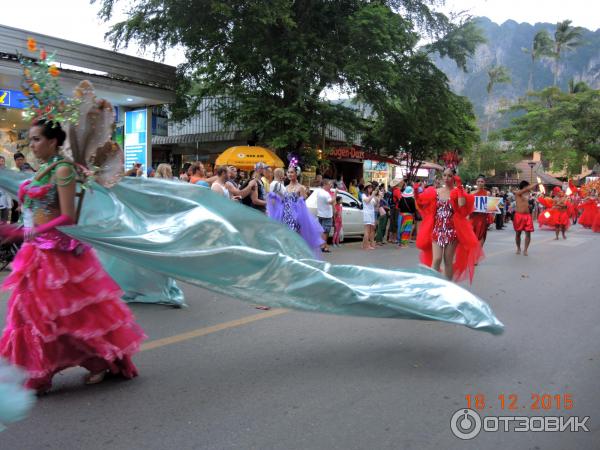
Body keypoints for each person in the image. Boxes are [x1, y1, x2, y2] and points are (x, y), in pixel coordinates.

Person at [0, 119, 145, 393]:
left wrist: (28, 233)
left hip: (60, 255)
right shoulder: (43, 169)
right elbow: (35, 212)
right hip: (35, 253)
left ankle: (99, 361)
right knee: (30, 314)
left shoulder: (63, 170)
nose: (32, 145)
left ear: (53, 141)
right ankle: (40, 368)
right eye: (30, 140)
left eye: (36, 139)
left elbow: (68, 215)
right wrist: (20, 229)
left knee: (69, 317)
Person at [415, 168, 481, 282]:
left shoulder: (457, 191)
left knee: (447, 260)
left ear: (454, 177)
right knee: (436, 259)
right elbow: (422, 204)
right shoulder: (435, 191)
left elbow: (461, 204)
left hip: (452, 230)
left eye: (449, 176)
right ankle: (432, 285)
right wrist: (416, 193)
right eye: (444, 175)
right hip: (437, 229)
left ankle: (447, 287)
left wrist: (460, 187)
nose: (446, 178)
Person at [266, 165, 323, 253]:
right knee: (286, 239)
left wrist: (298, 215)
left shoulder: (301, 187)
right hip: (285, 215)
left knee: (295, 238)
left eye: (292, 172)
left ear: (297, 174)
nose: (289, 174)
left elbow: (303, 204)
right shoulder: (284, 187)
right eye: (288, 172)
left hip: (296, 216)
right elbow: (281, 201)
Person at [513, 180, 539, 256]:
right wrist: (536, 183)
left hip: (527, 216)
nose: (528, 187)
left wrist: (529, 206)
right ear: (524, 186)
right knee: (518, 233)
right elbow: (526, 189)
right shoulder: (518, 192)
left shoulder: (528, 194)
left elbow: (526, 201)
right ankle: (518, 248)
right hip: (519, 216)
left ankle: (525, 250)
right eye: (527, 186)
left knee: (528, 233)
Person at [470, 175, 491, 248]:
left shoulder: (487, 193)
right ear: (476, 182)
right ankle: (473, 258)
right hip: (473, 219)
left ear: (484, 183)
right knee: (472, 241)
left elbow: (490, 206)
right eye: (478, 181)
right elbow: (469, 206)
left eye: (481, 181)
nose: (480, 183)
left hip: (483, 219)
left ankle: (476, 257)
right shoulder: (471, 193)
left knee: (481, 241)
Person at [316, 179, 334, 253]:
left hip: (320, 214)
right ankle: (323, 246)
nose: (330, 185)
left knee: (322, 231)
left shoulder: (319, 192)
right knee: (325, 232)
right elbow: (331, 202)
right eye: (329, 184)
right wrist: (335, 194)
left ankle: (324, 246)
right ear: (325, 184)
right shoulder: (326, 194)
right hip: (326, 215)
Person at [361, 184, 377, 250]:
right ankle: (366, 246)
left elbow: (375, 205)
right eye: (369, 188)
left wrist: (378, 197)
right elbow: (367, 201)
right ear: (366, 188)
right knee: (366, 230)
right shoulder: (363, 195)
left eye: (371, 188)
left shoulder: (371, 195)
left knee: (370, 230)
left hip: (371, 214)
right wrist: (373, 195)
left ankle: (365, 244)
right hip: (367, 214)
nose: (370, 189)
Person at [0, 156, 11, 222]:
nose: (1, 163)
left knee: (4, 219)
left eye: (2, 161)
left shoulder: (7, 172)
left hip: (5, 198)